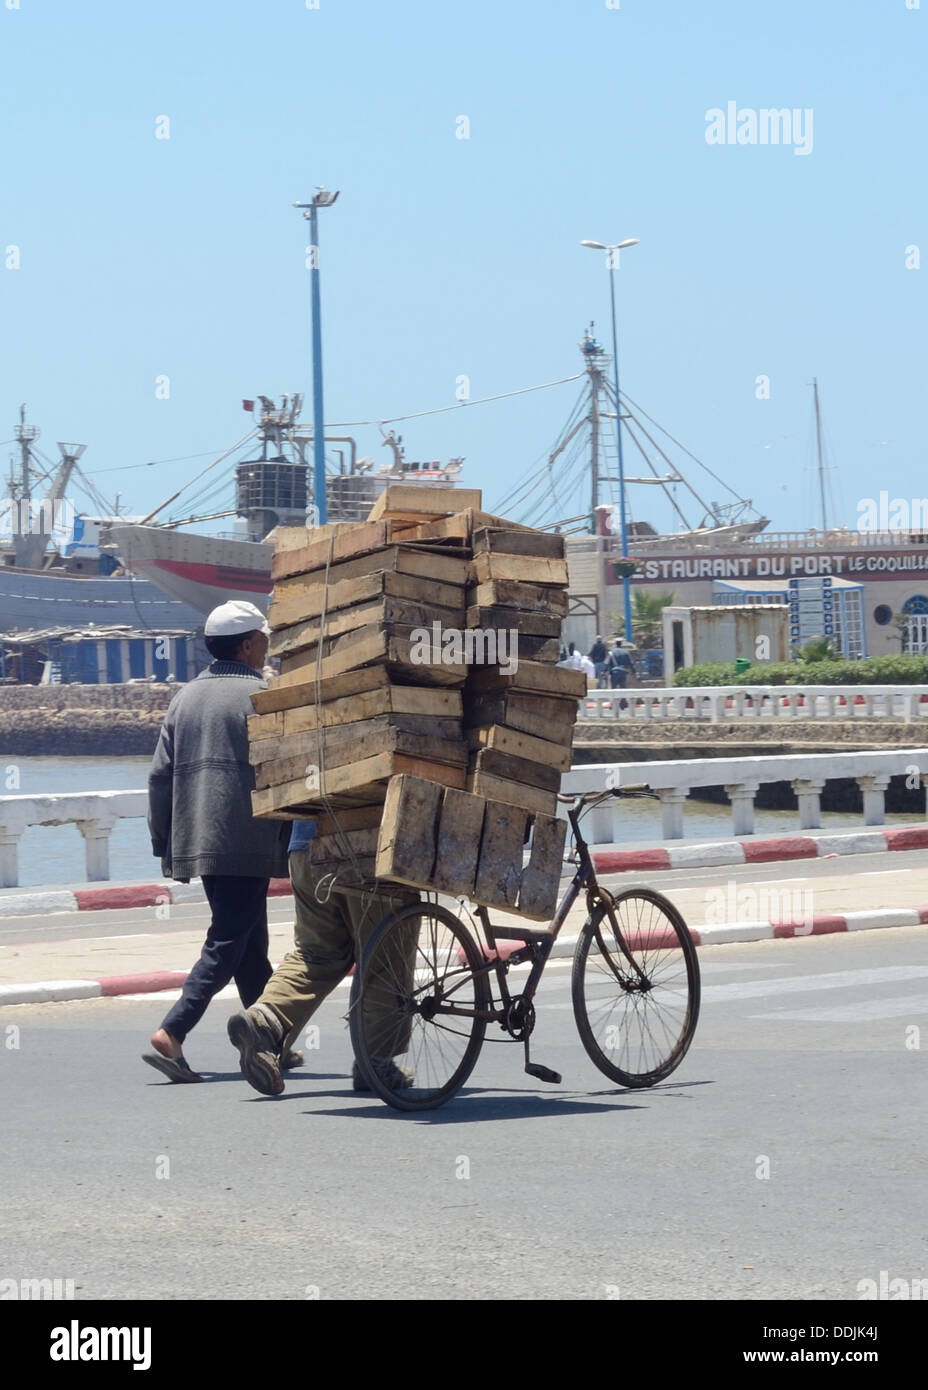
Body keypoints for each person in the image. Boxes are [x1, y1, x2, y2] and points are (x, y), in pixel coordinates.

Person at [142, 600, 291, 1083]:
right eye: (264, 640)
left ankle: (272, 1039)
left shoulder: (184, 698)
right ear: (247, 645)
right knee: (228, 939)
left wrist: (163, 838)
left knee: (249, 942)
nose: (268, 648)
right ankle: (173, 1030)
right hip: (246, 838)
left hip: (201, 838)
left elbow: (160, 777)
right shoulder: (264, 695)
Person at [226, 823, 422, 1097]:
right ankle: (376, 1063)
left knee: (316, 954)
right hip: (367, 845)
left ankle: (265, 1018)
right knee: (386, 955)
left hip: (305, 852)